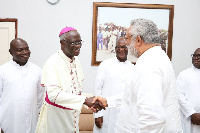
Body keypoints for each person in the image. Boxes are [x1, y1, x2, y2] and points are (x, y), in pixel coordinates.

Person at [93, 18, 182, 132]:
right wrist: (108, 101)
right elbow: (135, 96)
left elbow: (153, 119)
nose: (126, 42)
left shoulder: (149, 64)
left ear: (138, 40)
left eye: (127, 38)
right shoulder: (155, 57)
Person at [35, 27, 104, 133]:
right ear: (62, 43)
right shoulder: (52, 62)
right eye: (73, 43)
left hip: (73, 116)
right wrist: (85, 100)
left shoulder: (76, 61)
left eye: (79, 42)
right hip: (57, 118)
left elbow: (75, 91)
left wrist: (88, 102)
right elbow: (54, 95)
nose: (78, 46)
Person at [0, 38, 44, 133]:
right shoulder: (3, 71)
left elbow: (40, 97)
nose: (25, 52)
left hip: (32, 121)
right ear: (11, 52)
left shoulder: (37, 71)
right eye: (20, 50)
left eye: (27, 49)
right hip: (9, 122)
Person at [93, 37, 134, 133]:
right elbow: (97, 91)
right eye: (119, 47)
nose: (121, 50)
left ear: (128, 49)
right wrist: (98, 114)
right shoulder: (105, 65)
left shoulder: (133, 68)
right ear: (115, 49)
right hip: (107, 113)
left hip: (125, 116)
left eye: (124, 47)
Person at [177, 48, 200, 133]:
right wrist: (191, 113)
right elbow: (179, 96)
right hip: (189, 118)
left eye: (199, 56)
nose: (196, 58)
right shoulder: (184, 75)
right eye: (194, 55)